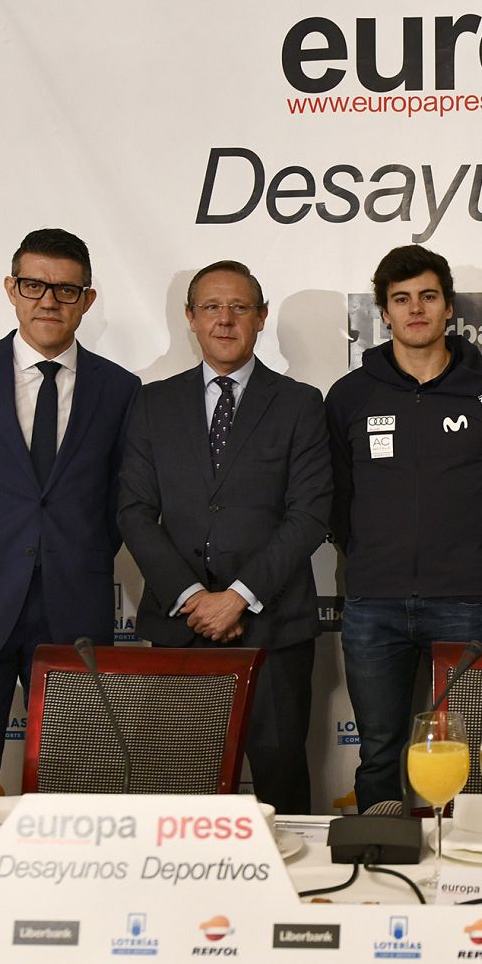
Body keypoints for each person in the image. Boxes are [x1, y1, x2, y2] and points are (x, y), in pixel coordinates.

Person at [0, 228, 139, 796]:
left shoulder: (121, 389)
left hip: (73, 609)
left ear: (87, 300)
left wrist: (71, 554)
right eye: (34, 285)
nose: (48, 301)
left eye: (65, 290)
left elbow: (120, 501)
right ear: (11, 289)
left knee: (77, 788)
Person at [118, 260, 331, 813]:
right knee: (179, 790)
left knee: (282, 784)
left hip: (274, 628)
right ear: (190, 318)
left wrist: (238, 596)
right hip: (179, 627)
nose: (225, 319)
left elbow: (309, 514)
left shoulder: (301, 404)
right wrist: (192, 598)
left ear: (261, 317)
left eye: (240, 307)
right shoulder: (151, 403)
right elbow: (135, 512)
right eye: (211, 306)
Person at [325, 245, 482, 812]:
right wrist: (369, 556)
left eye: (427, 297)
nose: (415, 310)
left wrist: (479, 562)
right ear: (383, 313)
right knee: (380, 754)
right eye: (400, 300)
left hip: (464, 602)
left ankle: (461, 878)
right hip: (372, 605)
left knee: (459, 754)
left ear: (449, 307)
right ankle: (381, 869)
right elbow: (335, 499)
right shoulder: (350, 395)